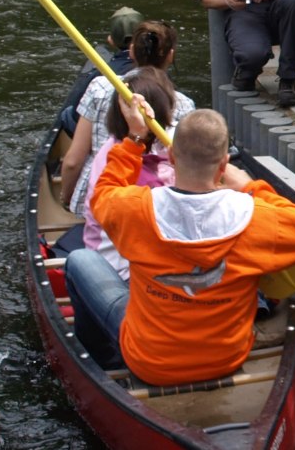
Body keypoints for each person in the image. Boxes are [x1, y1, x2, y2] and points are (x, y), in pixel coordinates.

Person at [69, 105, 295, 386]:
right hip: (227, 359)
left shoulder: (134, 209)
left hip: (148, 362)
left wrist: (136, 139)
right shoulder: (255, 217)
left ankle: (98, 363)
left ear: (173, 157)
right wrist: (251, 186)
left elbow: (104, 192)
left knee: (80, 260)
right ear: (224, 164)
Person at [64, 69, 182, 366]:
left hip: (143, 283)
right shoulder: (179, 157)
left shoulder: (117, 161)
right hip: (151, 278)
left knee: (79, 260)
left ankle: (101, 357)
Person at [61, 20, 198, 216]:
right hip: (151, 204)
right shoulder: (184, 104)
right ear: (170, 56)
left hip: (94, 199)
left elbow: (73, 161)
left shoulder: (99, 87)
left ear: (132, 51)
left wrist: (66, 199)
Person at [56, 7, 146, 136]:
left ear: (111, 40)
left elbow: (75, 114)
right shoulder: (157, 75)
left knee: (67, 113)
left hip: (102, 137)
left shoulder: (96, 79)